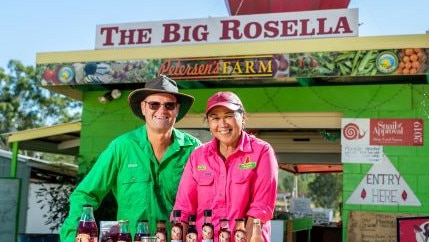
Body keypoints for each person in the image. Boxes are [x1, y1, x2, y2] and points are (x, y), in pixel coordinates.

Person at [60, 75, 201, 242]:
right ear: (143, 108)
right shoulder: (121, 147)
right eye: (154, 104)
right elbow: (85, 194)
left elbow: (211, 200)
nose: (162, 110)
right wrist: (72, 236)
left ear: (177, 109)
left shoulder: (194, 149)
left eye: (169, 105)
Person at [172, 91, 279, 242]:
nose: (222, 124)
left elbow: (260, 209)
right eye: (215, 118)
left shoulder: (261, 152)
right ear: (209, 124)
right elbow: (183, 209)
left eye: (229, 116)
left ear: (242, 118)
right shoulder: (198, 156)